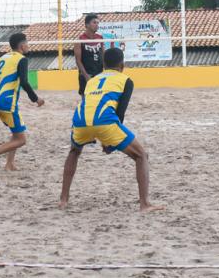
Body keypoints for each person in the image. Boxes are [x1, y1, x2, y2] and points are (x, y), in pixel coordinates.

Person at [60, 46, 162, 212]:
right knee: (141, 156)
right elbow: (119, 114)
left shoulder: (92, 81)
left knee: (74, 152)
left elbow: (89, 103)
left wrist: (106, 140)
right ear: (122, 65)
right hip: (105, 121)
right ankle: (144, 204)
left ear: (103, 65)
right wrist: (110, 144)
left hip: (79, 120)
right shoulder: (125, 80)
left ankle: (63, 199)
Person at [0, 32, 44, 175]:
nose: (28, 46)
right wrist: (36, 99)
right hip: (7, 102)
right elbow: (24, 82)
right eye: (27, 43)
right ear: (22, 46)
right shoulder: (21, 59)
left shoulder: (1, 59)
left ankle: (9, 163)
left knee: (16, 132)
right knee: (21, 140)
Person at [76, 13, 105, 97]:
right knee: (85, 100)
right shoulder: (80, 40)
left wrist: (106, 71)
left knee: (99, 99)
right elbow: (78, 61)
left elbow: (104, 56)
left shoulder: (100, 38)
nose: (97, 25)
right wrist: (86, 76)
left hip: (99, 73)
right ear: (87, 25)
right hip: (86, 74)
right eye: (94, 22)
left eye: (98, 23)